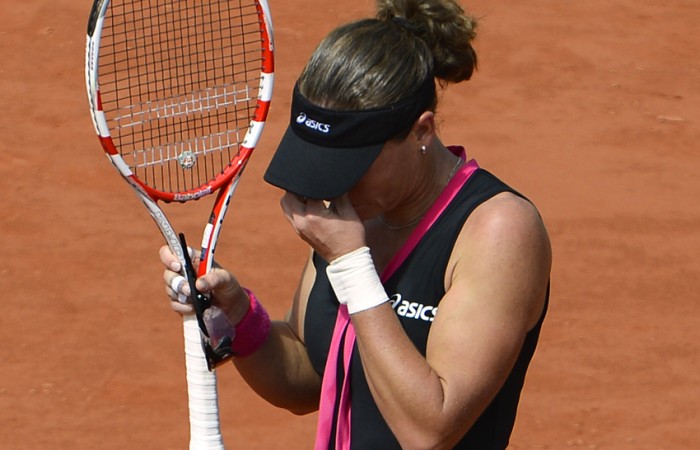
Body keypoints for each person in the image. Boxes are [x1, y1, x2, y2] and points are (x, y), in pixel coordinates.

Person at [161, 0, 552, 448]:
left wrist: (351, 263)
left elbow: (430, 430)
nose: (334, 185)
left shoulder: (498, 232)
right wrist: (235, 315)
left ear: (422, 131)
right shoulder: (357, 210)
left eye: (353, 163)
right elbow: (308, 375)